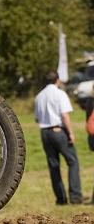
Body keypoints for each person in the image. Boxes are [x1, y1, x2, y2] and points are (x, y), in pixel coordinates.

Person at [34, 71, 83, 205]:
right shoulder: (60, 93)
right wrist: (71, 133)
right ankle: (76, 197)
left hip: (44, 132)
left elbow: (37, 118)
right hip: (58, 130)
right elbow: (65, 116)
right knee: (72, 161)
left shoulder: (39, 96)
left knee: (53, 166)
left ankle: (61, 199)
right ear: (58, 80)